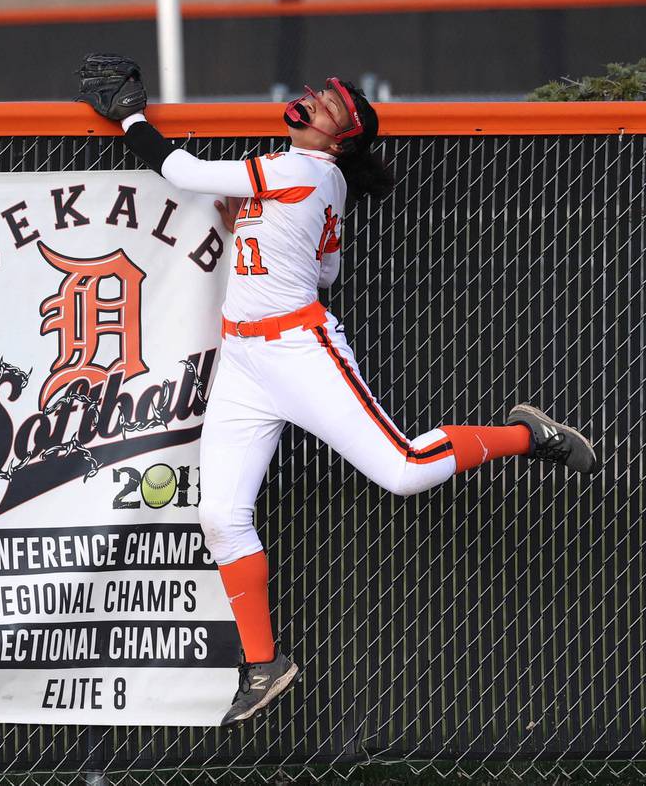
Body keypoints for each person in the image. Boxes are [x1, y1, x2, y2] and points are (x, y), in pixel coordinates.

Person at [78, 62, 599, 727]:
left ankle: (531, 436)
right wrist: (258, 227)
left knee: (406, 471)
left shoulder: (303, 169)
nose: (318, 97)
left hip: (299, 351)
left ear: (342, 138)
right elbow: (324, 266)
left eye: (333, 103)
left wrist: (129, 116)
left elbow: (179, 171)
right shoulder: (315, 179)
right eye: (322, 93)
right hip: (241, 358)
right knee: (220, 517)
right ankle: (263, 664)